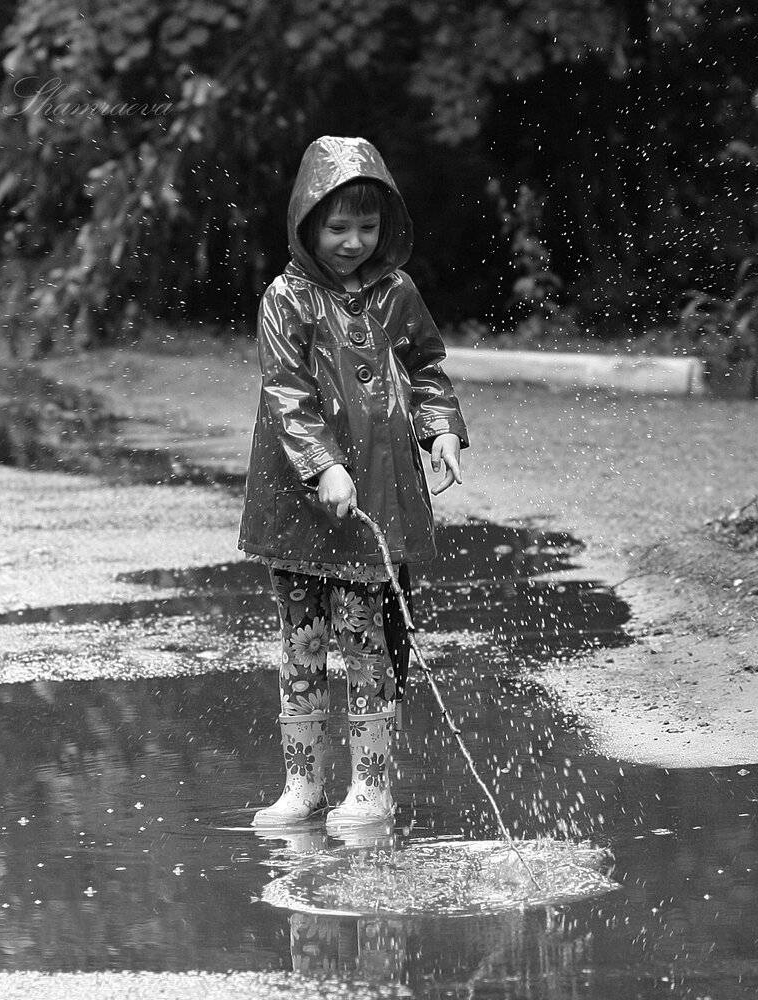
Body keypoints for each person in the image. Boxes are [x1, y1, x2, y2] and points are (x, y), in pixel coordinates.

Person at [239, 135, 468, 831]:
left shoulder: (396, 292)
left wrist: (442, 430)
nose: (352, 241)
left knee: (370, 638)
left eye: (367, 227)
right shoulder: (287, 299)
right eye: (337, 227)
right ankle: (301, 784)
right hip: (301, 498)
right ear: (307, 222)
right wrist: (323, 464)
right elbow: (285, 391)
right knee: (303, 640)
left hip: (378, 489)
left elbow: (427, 367)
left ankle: (372, 786)